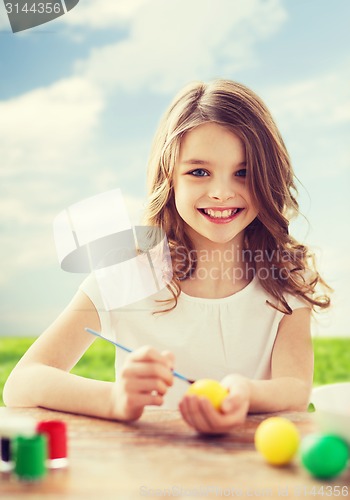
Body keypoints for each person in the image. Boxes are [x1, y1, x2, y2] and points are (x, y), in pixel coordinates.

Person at [3, 79, 331, 434]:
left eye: (244, 172)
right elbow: (22, 383)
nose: (221, 192)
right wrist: (115, 400)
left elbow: (295, 390)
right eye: (199, 172)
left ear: (269, 178)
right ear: (169, 178)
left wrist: (245, 394)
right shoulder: (129, 272)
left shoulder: (285, 278)